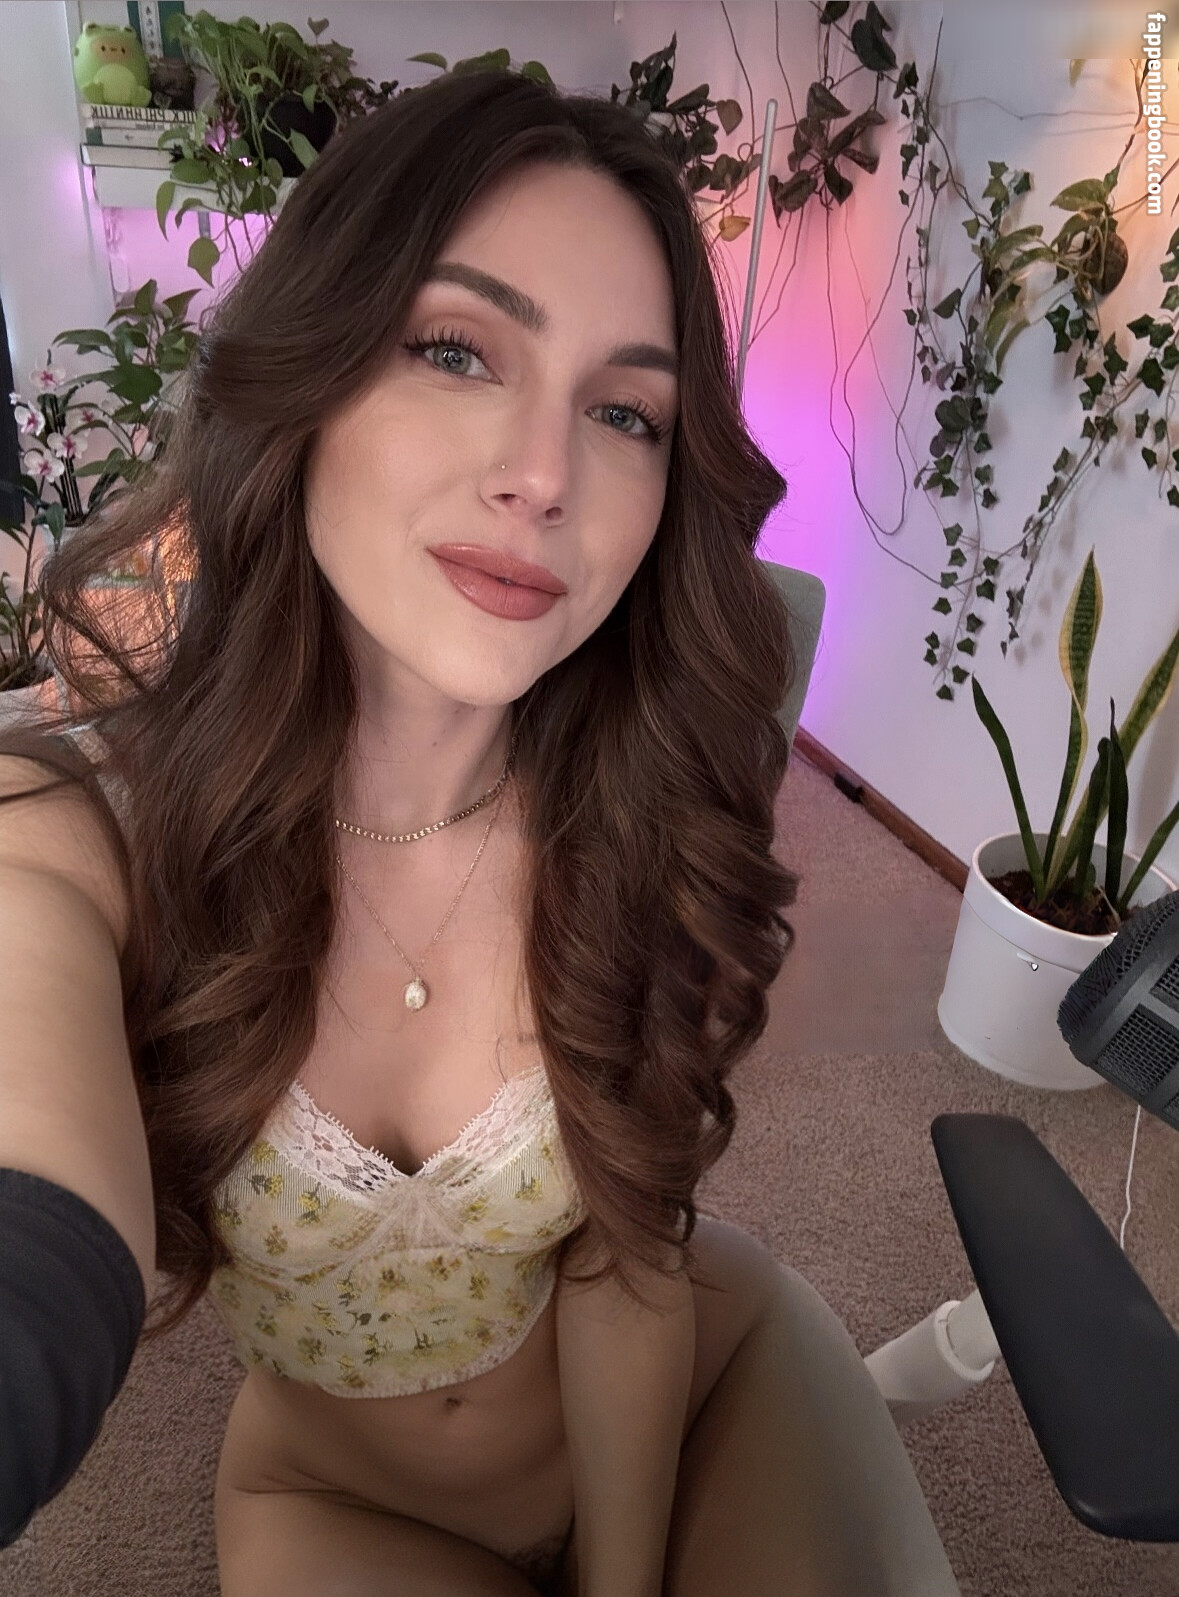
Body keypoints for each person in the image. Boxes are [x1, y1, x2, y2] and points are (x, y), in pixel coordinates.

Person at [0, 69, 962, 1597]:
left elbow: (632, 1258)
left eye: (625, 412)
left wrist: (622, 1580)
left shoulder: (640, 811)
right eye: (457, 349)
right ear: (309, 372)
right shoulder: (81, 842)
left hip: (699, 1390)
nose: (545, 476)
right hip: (330, 1495)